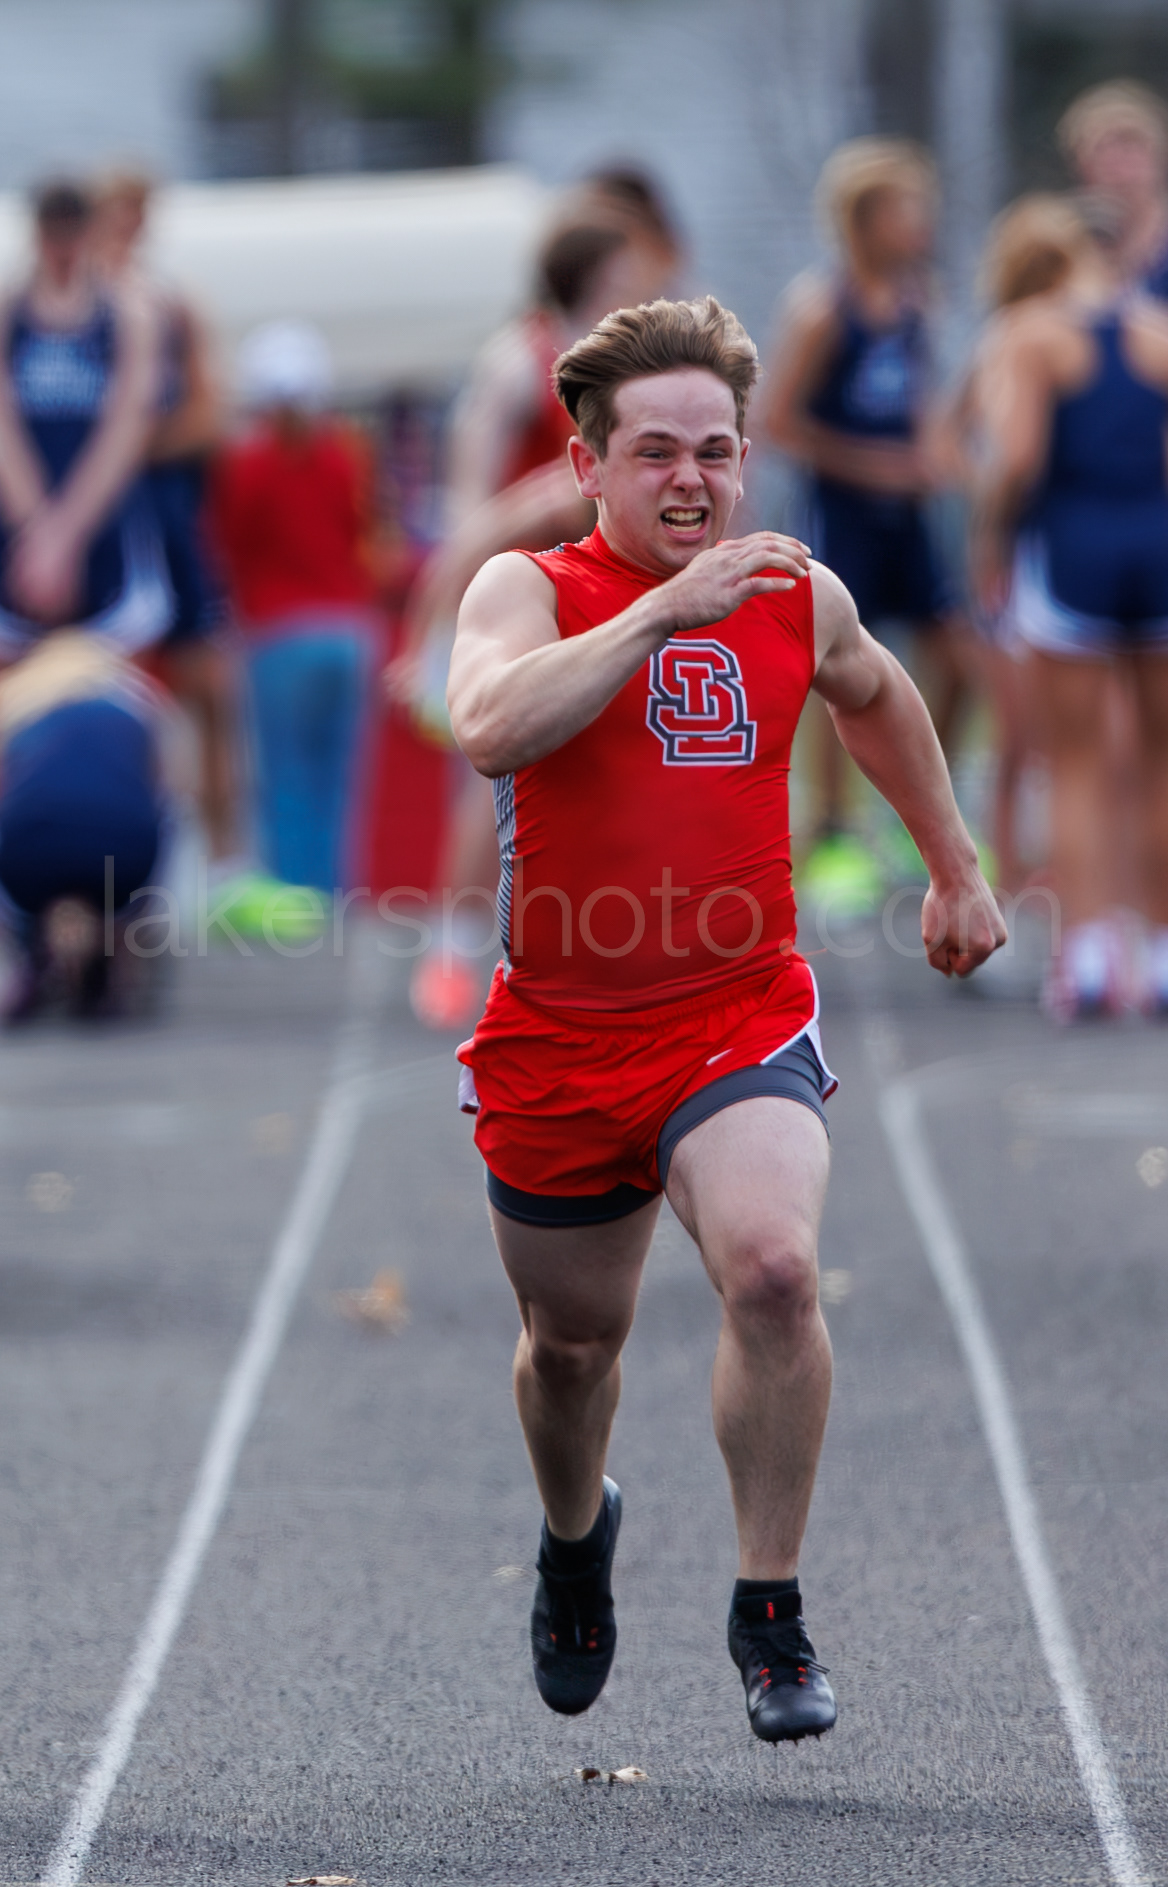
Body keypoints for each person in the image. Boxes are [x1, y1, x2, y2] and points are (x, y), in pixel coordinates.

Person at [447, 297, 1002, 1739]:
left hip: (735, 1014)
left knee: (771, 1271)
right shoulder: (527, 587)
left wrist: (954, 866)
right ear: (589, 464)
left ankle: (771, 1609)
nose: (690, 479)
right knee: (572, 1348)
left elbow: (874, 692)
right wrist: (656, 614)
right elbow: (489, 727)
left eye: (715, 450)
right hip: (559, 1037)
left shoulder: (792, 591)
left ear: (746, 458)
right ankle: (577, 1538)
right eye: (655, 452)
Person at [401, 201, 680, 1029]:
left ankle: (605, 947)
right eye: (626, 272)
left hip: (599, 586)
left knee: (610, 771)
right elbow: (471, 498)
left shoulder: (628, 363)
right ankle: (450, 949)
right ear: (591, 277)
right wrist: (443, 609)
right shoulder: (520, 360)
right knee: (493, 780)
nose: (642, 285)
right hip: (525, 584)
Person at [970, 205, 1168, 1018]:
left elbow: (1019, 455)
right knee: (1158, 760)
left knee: (1076, 762)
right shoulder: (1157, 330)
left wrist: (988, 537)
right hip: (1156, 545)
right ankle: (1161, 954)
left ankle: (1087, 957)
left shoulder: (1030, 331)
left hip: (1072, 549)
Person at [764, 138, 969, 910]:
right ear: (865, 219)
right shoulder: (823, 309)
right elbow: (778, 421)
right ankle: (834, 833)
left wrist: (939, 452)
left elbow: (919, 401)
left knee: (959, 656)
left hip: (907, 519)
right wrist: (873, 465)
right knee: (838, 671)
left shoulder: (919, 302)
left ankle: (917, 813)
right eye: (905, 208)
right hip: (843, 514)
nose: (921, 223)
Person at [931, 194, 1085, 893]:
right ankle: (1005, 862)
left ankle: (1056, 854)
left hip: (1063, 540)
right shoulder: (1006, 339)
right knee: (1018, 724)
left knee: (1065, 722)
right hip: (1014, 544)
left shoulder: (1078, 339)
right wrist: (985, 489)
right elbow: (947, 436)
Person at [92, 168, 237, 867]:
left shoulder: (170, 304)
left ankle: (219, 856)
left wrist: (122, 442)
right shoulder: (69, 310)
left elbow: (209, 416)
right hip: (101, 527)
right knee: (96, 680)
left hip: (164, 513)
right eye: (121, 213)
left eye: (140, 215)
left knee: (204, 685)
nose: (132, 228)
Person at [210, 321, 378, 904]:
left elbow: (226, 544)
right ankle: (333, 900)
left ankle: (294, 903)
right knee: (338, 783)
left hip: (278, 635)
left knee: (285, 780)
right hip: (348, 632)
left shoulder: (247, 463)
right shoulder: (343, 454)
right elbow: (363, 532)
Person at [0, 179, 169, 657]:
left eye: (72, 234)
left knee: (106, 672)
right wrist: (37, 531)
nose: (63, 250)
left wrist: (66, 535)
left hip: (103, 528)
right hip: (21, 533)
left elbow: (124, 430)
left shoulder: (126, 314)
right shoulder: (10, 311)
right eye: (53, 235)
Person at [0, 629, 168, 1021]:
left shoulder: (17, 699)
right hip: (126, 846)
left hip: (28, 848)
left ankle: (29, 966)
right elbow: (166, 785)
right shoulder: (138, 700)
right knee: (156, 831)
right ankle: (118, 964)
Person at [1057, 81, 1168, 300]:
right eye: (1103, 151)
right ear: (1082, 165)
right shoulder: (1064, 238)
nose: (1119, 165)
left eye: (1131, 147)